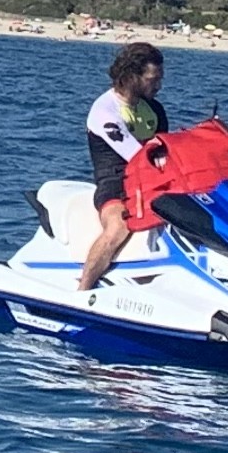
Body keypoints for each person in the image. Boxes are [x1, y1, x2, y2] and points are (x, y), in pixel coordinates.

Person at [75, 41, 171, 290]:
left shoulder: (154, 109)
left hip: (148, 182)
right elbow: (137, 156)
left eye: (159, 78)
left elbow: (163, 152)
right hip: (115, 184)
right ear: (131, 76)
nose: (158, 85)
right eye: (152, 79)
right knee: (118, 227)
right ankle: (82, 290)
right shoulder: (105, 111)